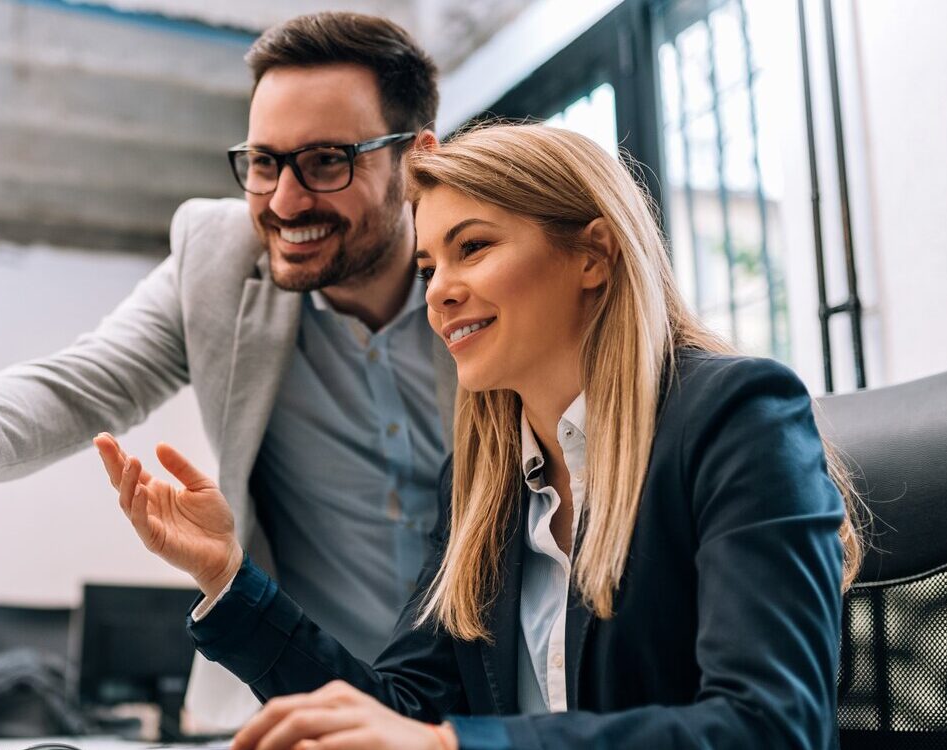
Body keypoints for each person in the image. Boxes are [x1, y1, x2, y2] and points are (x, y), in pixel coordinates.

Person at [91, 123, 864, 749]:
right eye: (430, 265)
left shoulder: (739, 419)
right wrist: (228, 577)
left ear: (592, 254)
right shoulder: (481, 480)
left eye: (474, 247)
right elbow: (397, 711)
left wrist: (456, 747)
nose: (440, 291)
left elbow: (771, 728)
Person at [0, 12, 455, 718]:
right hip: (298, 702)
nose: (284, 200)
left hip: (491, 701)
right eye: (263, 162)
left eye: (326, 162)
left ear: (416, 160)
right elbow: (85, 382)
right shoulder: (219, 258)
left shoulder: (493, 274)